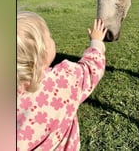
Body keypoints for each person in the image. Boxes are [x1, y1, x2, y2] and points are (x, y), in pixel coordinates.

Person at [17, 11, 108, 150]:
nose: (53, 40)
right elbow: (91, 68)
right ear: (41, 50)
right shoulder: (62, 80)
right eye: (50, 37)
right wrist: (96, 42)